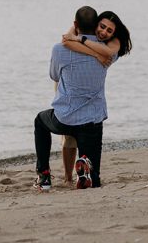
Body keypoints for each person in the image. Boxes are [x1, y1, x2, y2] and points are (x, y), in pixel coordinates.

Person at [34, 6, 126, 191]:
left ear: (76, 24)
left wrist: (73, 32)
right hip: (92, 123)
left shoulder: (59, 49)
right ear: (95, 27)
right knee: (95, 179)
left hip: (64, 119)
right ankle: (86, 170)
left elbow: (54, 75)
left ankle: (43, 176)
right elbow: (102, 48)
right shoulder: (107, 53)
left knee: (40, 121)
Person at [56, 10, 132, 184]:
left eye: (109, 30)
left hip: (85, 86)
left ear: (115, 33)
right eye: (102, 26)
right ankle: (68, 177)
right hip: (68, 83)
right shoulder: (89, 35)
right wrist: (94, 53)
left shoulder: (114, 43)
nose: (104, 32)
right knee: (68, 135)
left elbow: (107, 53)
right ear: (95, 23)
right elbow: (66, 40)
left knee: (78, 132)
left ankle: (82, 171)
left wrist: (81, 40)